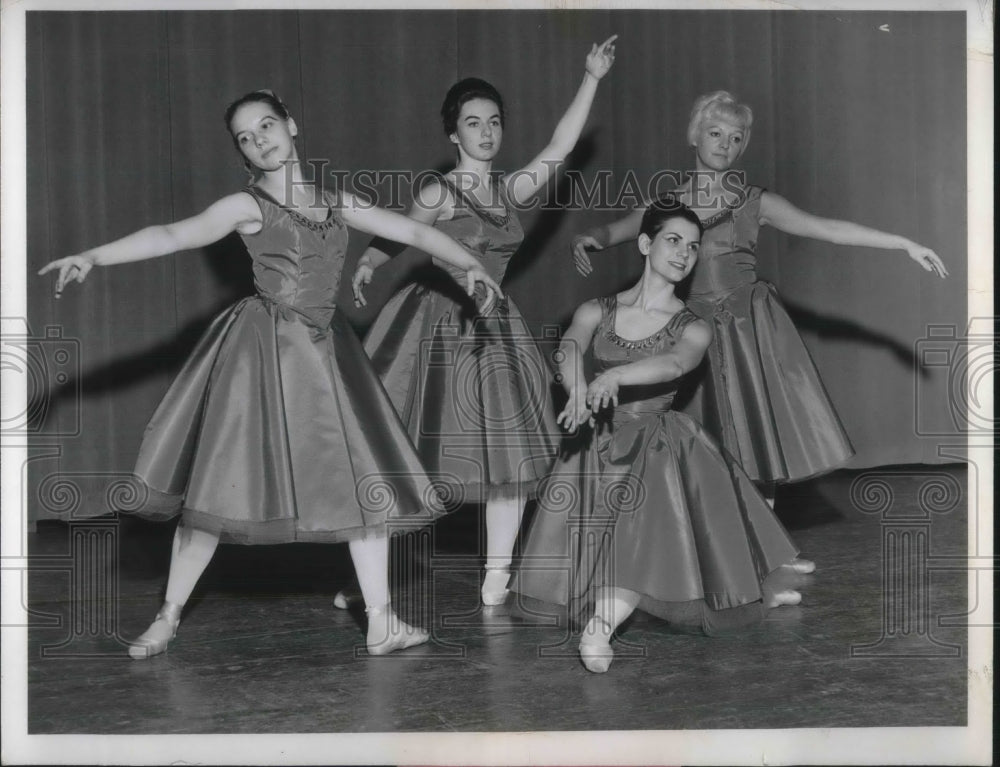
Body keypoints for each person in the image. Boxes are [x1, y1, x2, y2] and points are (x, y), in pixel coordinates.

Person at [38, 90, 503, 659]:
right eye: (245, 136)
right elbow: (170, 234)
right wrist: (94, 256)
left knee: (366, 487)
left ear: (292, 124)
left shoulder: (337, 202)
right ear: (242, 151)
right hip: (262, 355)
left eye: (266, 125)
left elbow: (417, 233)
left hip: (327, 356)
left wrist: (472, 264)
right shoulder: (246, 205)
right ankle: (168, 615)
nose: (260, 140)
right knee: (215, 492)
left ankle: (382, 624)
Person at [571, 91, 948, 519]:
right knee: (702, 435)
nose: (724, 144)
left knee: (756, 431)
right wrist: (591, 239)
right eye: (715, 133)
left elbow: (825, 227)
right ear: (694, 136)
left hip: (747, 326)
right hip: (691, 330)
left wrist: (902, 243)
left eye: (735, 138)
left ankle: (766, 548)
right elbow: (620, 228)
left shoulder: (755, 201)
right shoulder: (667, 206)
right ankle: (711, 544)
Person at [350, 37, 618, 606]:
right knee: (408, 452)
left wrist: (591, 76)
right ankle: (373, 580)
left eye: (494, 121)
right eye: (474, 123)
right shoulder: (437, 191)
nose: (487, 132)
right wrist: (371, 261)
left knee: (508, 451)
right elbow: (400, 234)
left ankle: (498, 571)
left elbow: (561, 145)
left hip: (495, 327)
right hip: (436, 326)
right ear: (455, 135)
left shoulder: (510, 189)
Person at [513, 200, 804, 673]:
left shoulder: (694, 325)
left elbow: (674, 364)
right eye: (673, 240)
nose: (684, 253)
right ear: (646, 244)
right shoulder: (596, 309)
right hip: (598, 445)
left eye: (693, 247)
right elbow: (568, 346)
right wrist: (578, 388)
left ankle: (600, 629)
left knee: (640, 536)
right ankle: (743, 599)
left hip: (658, 445)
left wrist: (616, 377)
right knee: (599, 547)